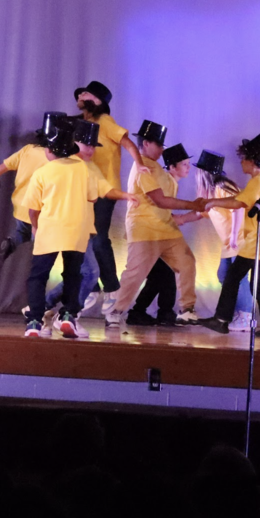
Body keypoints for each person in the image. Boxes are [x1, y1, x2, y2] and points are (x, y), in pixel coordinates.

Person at [22, 116, 132, 338]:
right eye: (87, 144)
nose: (91, 149)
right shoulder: (84, 170)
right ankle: (67, 316)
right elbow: (93, 197)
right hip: (77, 232)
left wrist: (35, 226)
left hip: (50, 231)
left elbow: (33, 208)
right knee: (75, 274)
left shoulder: (43, 172)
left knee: (39, 276)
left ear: (50, 150)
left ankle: (35, 320)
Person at [104, 121, 205, 330]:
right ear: (147, 143)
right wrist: (191, 205)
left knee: (187, 262)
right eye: (159, 145)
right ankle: (116, 311)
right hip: (144, 229)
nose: (161, 149)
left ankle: (186, 309)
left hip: (166, 229)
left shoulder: (156, 166)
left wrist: (189, 214)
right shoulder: (143, 167)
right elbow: (160, 200)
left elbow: (165, 204)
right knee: (135, 274)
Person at [73, 80, 148, 313]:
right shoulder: (81, 123)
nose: (82, 94)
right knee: (78, 238)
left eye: (87, 93)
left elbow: (126, 142)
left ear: (98, 102)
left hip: (105, 189)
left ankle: (112, 288)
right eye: (81, 92)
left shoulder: (105, 121)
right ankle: (92, 287)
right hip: (83, 189)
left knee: (98, 238)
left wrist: (140, 163)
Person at [201, 134, 260, 335]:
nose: (241, 162)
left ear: (252, 161)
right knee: (258, 283)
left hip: (258, 241)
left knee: (232, 277)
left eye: (244, 158)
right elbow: (241, 200)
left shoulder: (258, 181)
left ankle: (221, 319)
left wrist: (213, 202)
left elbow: (238, 203)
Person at [0, 112, 56, 270]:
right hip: (40, 212)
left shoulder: (28, 150)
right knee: (38, 254)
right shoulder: (57, 159)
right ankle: (29, 272)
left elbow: (2, 167)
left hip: (21, 206)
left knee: (21, 238)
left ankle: (11, 246)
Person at [126, 144, 199, 327]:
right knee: (163, 274)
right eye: (184, 164)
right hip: (148, 235)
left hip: (156, 234)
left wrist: (195, 214)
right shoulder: (164, 181)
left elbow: (171, 217)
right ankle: (151, 312)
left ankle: (151, 313)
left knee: (162, 275)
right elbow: (161, 208)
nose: (188, 168)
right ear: (172, 167)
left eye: (189, 164)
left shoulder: (170, 182)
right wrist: (194, 211)